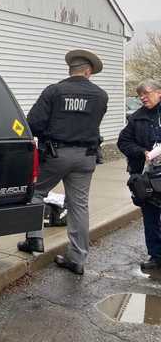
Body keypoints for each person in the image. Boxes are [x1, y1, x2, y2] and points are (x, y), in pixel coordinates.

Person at [17, 49, 108, 275]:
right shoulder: (101, 96)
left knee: (36, 193)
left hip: (56, 155)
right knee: (79, 205)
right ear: (88, 71)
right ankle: (77, 259)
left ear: (71, 70)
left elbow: (33, 123)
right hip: (86, 156)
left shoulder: (54, 91)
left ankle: (35, 240)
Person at [117, 79, 161, 270]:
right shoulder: (136, 118)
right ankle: (156, 255)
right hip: (146, 178)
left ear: (159, 92)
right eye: (140, 94)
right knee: (150, 216)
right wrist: (141, 152)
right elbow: (123, 142)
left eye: (147, 93)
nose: (143, 97)